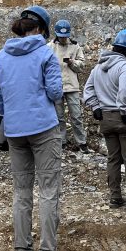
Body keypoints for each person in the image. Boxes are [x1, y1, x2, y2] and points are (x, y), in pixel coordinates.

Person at [0, 5, 67, 251]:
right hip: (44, 129)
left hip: (14, 131)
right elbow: (56, 92)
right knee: (48, 191)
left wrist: (3, 127)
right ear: (42, 29)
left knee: (21, 192)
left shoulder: (0, 57)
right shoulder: (45, 53)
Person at [83, 28, 126, 213]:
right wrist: (124, 110)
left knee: (113, 158)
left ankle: (115, 198)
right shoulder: (125, 67)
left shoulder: (98, 67)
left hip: (106, 118)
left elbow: (87, 90)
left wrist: (95, 108)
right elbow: (124, 91)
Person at [50, 19, 88, 152]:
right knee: (59, 116)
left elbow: (82, 66)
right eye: (61, 36)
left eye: (65, 36)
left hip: (72, 86)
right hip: (56, 86)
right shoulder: (50, 47)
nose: (63, 39)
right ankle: (62, 141)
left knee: (76, 115)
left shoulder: (75, 46)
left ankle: (81, 142)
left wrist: (72, 63)